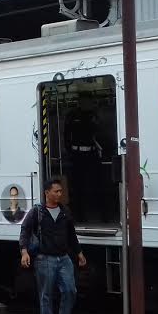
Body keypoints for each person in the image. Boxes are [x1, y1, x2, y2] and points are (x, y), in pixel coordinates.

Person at [19, 179, 86, 314]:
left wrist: (79, 253)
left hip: (64, 258)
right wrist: (24, 251)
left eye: (60, 191)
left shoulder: (65, 211)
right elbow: (25, 230)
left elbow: (71, 234)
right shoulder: (37, 212)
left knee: (70, 290)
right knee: (46, 294)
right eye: (56, 191)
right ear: (47, 193)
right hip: (44, 258)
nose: (59, 194)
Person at [64, 93, 102, 222]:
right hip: (77, 155)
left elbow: (100, 134)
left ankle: (100, 215)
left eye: (88, 101)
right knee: (77, 186)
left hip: (91, 154)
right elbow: (66, 135)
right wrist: (69, 152)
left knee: (95, 185)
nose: (86, 103)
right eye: (83, 101)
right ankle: (79, 216)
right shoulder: (72, 115)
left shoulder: (94, 115)